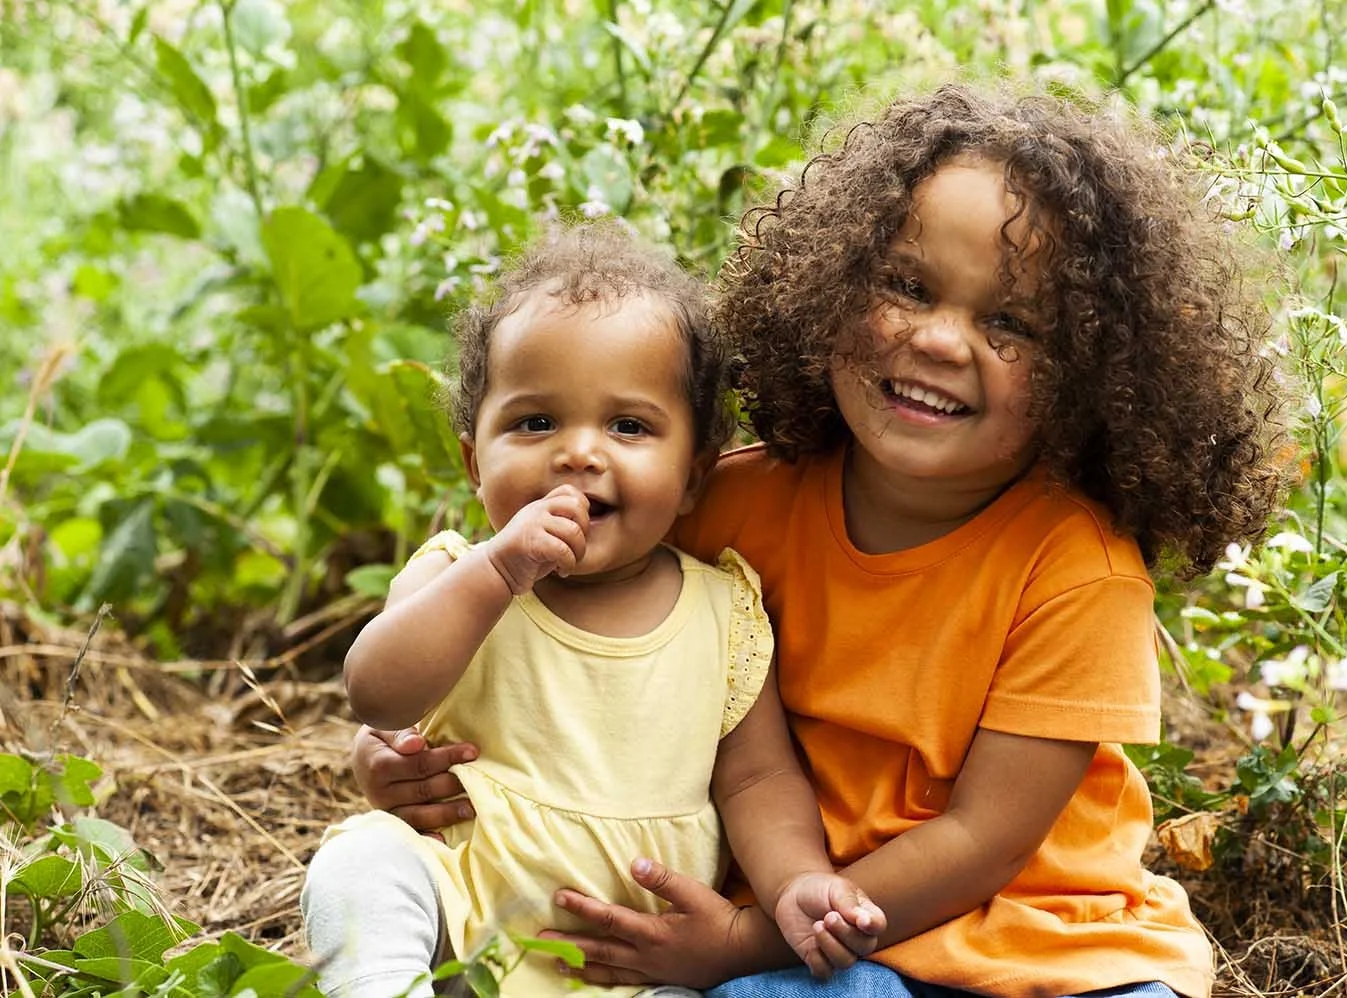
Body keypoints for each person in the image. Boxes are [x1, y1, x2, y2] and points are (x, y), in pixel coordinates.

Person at [349, 83, 1288, 997]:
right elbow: (531, 650)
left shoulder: (1079, 571)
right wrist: (395, 757)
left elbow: (985, 841)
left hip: (1046, 948)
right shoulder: (727, 504)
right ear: (831, 286)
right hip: (817, 947)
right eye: (908, 287)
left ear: (1090, 371)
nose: (941, 340)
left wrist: (738, 941)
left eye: (1009, 322)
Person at [301, 223, 885, 998]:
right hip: (457, 905)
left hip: (627, 961)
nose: (579, 453)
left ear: (693, 478)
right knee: (359, 864)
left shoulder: (722, 614)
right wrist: (499, 569)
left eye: (629, 426)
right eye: (535, 422)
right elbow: (377, 692)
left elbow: (757, 785)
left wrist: (795, 885)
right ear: (476, 462)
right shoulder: (455, 576)